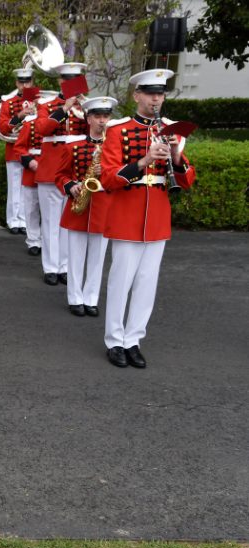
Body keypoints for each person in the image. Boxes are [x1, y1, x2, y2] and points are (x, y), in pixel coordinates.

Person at [100, 69, 196, 369]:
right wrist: (143, 161)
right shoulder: (118, 130)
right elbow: (108, 177)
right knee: (121, 282)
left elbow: (188, 180)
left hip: (156, 215)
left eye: (160, 94)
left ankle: (133, 340)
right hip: (126, 212)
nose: (156, 99)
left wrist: (176, 156)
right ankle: (115, 341)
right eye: (150, 93)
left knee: (146, 283)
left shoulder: (172, 130)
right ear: (136, 95)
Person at [55, 96, 118, 318]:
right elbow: (60, 175)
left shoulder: (114, 148)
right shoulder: (73, 146)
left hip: (103, 204)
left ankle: (91, 299)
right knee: (75, 257)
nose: (102, 121)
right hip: (79, 204)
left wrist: (107, 172)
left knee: (98, 258)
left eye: (106, 116)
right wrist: (70, 185)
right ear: (88, 118)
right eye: (98, 116)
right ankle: (75, 298)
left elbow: (121, 176)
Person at [34, 62, 89, 286]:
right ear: (60, 81)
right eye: (67, 80)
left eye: (75, 80)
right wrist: (64, 108)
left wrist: (86, 110)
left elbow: (97, 133)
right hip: (51, 168)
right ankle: (51, 267)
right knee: (50, 222)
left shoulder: (87, 106)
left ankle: (65, 267)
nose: (71, 84)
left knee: (70, 222)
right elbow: (42, 129)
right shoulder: (47, 105)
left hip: (76, 168)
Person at [0, 68, 35, 235]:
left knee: (28, 188)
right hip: (13, 149)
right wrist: (19, 116)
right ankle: (13, 221)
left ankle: (24, 221)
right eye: (21, 82)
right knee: (14, 187)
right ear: (16, 83)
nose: (24, 85)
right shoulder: (8, 102)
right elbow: (3, 127)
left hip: (31, 150)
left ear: (32, 82)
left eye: (27, 82)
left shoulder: (38, 101)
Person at [12, 105, 44, 257]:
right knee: (31, 209)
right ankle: (34, 241)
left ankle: (48, 241)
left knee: (51, 212)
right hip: (32, 169)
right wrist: (29, 161)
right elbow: (18, 148)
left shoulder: (61, 124)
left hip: (52, 170)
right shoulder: (30, 124)